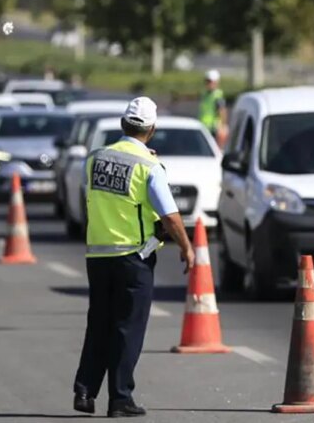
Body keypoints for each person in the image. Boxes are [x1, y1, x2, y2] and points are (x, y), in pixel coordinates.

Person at [73, 96, 195, 417]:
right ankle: (120, 398)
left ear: (122, 124)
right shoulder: (149, 167)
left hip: (97, 255)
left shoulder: (95, 159)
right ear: (151, 130)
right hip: (132, 257)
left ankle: (84, 391)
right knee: (128, 328)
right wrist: (187, 247)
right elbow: (169, 216)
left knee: (98, 323)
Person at [198, 69, 228, 146]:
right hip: (203, 126)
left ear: (216, 82)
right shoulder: (205, 94)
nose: (208, 84)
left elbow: (222, 111)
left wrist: (223, 127)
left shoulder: (218, 95)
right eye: (207, 81)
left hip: (213, 129)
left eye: (210, 82)